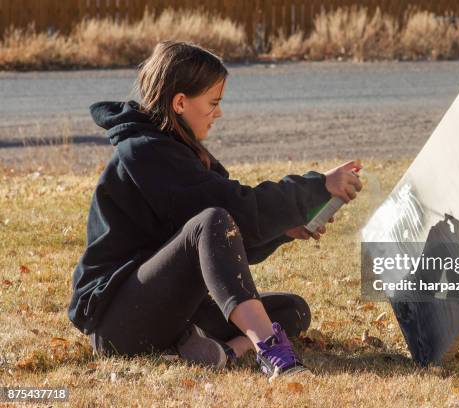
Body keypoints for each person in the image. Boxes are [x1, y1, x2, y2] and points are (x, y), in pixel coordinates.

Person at [67, 40, 363, 380]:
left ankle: (222, 352)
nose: (218, 113)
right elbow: (231, 213)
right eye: (213, 103)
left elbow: (227, 243)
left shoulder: (181, 152)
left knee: (291, 310)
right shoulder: (144, 152)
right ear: (180, 102)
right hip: (119, 322)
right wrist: (317, 186)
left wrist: (285, 230)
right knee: (213, 218)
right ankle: (272, 352)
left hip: (169, 311)